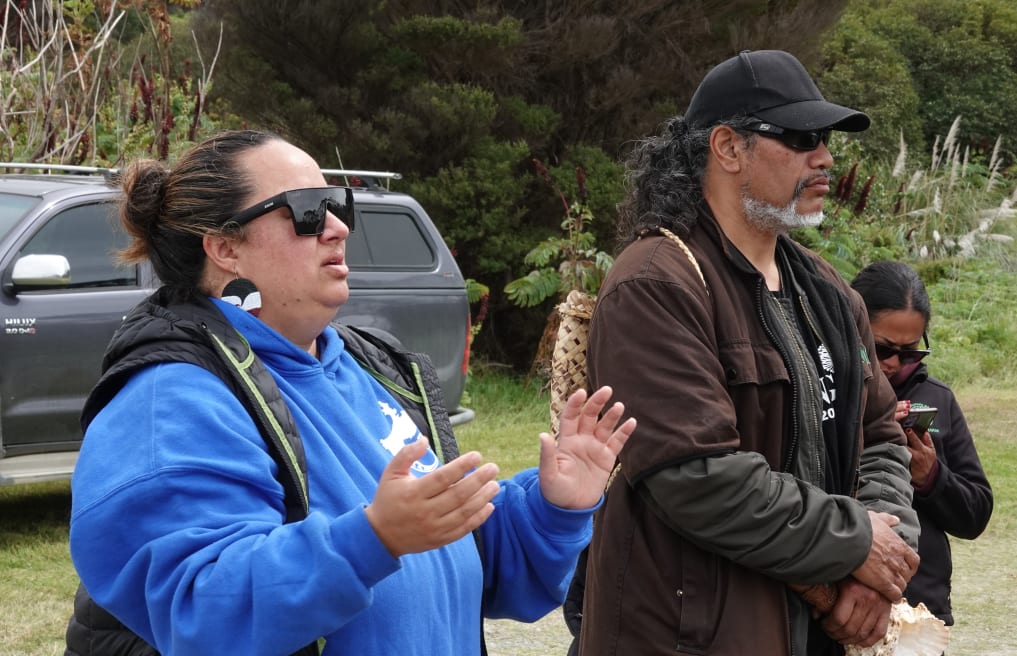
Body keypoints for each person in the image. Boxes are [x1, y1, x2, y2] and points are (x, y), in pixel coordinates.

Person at [65, 129, 636, 656]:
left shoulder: (372, 367)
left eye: (337, 206)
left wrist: (552, 507)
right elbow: (201, 606)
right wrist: (371, 539)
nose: (338, 227)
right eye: (308, 213)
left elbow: (464, 558)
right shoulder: (170, 398)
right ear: (225, 249)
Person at [574, 50, 921, 656]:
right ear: (729, 148)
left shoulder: (830, 292)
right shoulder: (655, 282)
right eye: (801, 136)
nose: (826, 157)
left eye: (826, 139)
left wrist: (881, 559)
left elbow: (881, 435)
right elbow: (697, 478)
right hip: (692, 638)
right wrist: (856, 543)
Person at [851, 260, 993, 626]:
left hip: (921, 609)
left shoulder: (937, 399)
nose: (895, 364)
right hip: (846, 601)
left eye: (911, 351)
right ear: (851, 327)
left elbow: (976, 514)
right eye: (881, 349)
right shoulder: (826, 395)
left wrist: (931, 476)